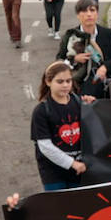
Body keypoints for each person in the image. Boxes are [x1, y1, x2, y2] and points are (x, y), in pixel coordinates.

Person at [57, 0, 111, 101]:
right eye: (84, 11)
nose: (89, 14)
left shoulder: (107, 34)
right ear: (78, 15)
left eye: (92, 10)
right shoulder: (70, 36)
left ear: (97, 13)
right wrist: (74, 59)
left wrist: (105, 67)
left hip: (105, 89)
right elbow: (59, 62)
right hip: (79, 89)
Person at [32, 61, 87, 191]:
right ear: (48, 82)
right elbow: (45, 146)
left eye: (68, 81)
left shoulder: (78, 102)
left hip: (78, 169)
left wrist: (92, 104)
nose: (65, 85)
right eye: (60, 81)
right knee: (59, 207)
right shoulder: (41, 111)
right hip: (53, 172)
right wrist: (72, 163)